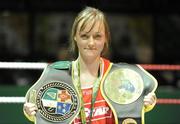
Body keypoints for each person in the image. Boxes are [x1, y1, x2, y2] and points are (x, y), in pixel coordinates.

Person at [23, 7, 157, 124]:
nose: (91, 43)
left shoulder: (121, 78)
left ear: (106, 38)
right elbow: (45, 114)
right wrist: (30, 112)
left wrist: (146, 103)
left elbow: (132, 109)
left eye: (97, 36)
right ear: (75, 37)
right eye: (85, 36)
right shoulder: (59, 77)